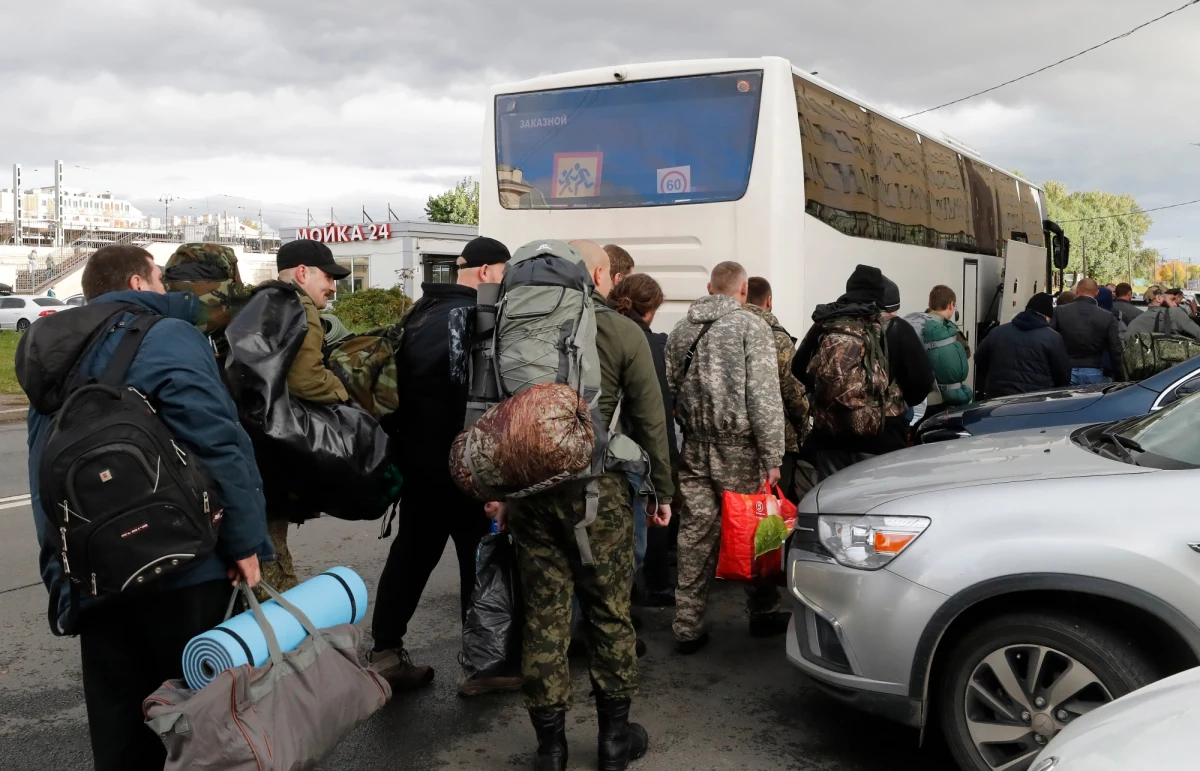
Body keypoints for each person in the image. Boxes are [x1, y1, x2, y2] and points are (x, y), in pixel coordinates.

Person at [22, 244, 270, 771]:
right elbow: (218, 442)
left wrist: (61, 576)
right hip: (183, 568)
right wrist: (247, 543)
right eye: (159, 280)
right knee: (203, 725)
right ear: (137, 284)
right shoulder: (166, 336)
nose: (166, 291)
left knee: (120, 734)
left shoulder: (49, 351)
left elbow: (43, 467)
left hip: (94, 575)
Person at [499, 240, 674, 771]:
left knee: (545, 617)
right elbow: (651, 420)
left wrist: (501, 493)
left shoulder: (509, 327)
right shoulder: (622, 332)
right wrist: (663, 491)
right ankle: (613, 745)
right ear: (597, 274)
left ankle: (550, 750)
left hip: (530, 495)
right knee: (609, 613)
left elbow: (493, 413)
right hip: (601, 496)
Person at [370, 236, 514, 694]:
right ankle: (482, 667)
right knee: (480, 558)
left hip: (416, 460)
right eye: (504, 273)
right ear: (489, 272)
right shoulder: (471, 315)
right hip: (460, 463)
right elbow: (462, 392)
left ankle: (385, 653)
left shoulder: (421, 311)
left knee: (412, 555)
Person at [665, 260, 788, 655]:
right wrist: (773, 453)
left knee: (695, 533)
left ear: (709, 287)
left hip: (695, 444)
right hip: (740, 446)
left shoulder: (681, 330)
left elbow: (671, 389)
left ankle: (687, 624)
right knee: (755, 528)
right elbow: (764, 396)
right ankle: (763, 610)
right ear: (743, 287)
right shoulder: (752, 327)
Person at [260, 239, 351, 593]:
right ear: (302, 273)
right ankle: (272, 639)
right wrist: (345, 392)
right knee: (271, 554)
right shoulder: (300, 307)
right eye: (328, 277)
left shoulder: (263, 299)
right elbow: (306, 380)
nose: (333, 286)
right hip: (276, 442)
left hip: (251, 436)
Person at [792, 265, 934, 479]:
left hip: (830, 439)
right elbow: (921, 384)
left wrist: (830, 393)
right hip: (882, 439)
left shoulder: (827, 324)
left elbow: (798, 367)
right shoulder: (896, 328)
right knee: (875, 504)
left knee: (833, 502)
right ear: (879, 295)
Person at [607, 273, 679, 607]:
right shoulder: (646, 343)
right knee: (641, 531)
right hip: (632, 457)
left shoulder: (597, 329)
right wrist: (665, 480)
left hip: (595, 452)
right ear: (650, 311)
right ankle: (653, 590)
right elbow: (656, 417)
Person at [743, 276, 812, 500]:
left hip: (736, 439)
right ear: (769, 300)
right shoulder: (778, 338)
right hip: (777, 440)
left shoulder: (728, 329)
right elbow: (793, 392)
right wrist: (803, 430)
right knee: (771, 508)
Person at [975, 292, 1070, 398]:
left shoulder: (997, 332)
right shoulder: (1053, 338)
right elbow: (1063, 376)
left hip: (998, 400)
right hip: (1035, 403)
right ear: (1047, 316)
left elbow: (979, 359)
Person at [903, 284, 971, 421]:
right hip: (940, 399)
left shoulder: (912, 322)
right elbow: (965, 355)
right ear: (951, 305)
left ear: (929, 303)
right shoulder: (948, 330)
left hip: (912, 398)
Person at [1051, 278, 1124, 384]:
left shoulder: (1059, 312)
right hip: (1094, 369)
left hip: (1066, 369)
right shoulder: (1107, 316)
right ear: (1097, 292)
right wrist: (1120, 376)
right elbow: (1115, 349)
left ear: (1077, 291)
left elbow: (1051, 341)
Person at [1126, 287, 1200, 341]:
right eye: (1172, 299)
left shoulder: (1135, 322)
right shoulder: (1174, 313)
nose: (1175, 304)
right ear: (1158, 298)